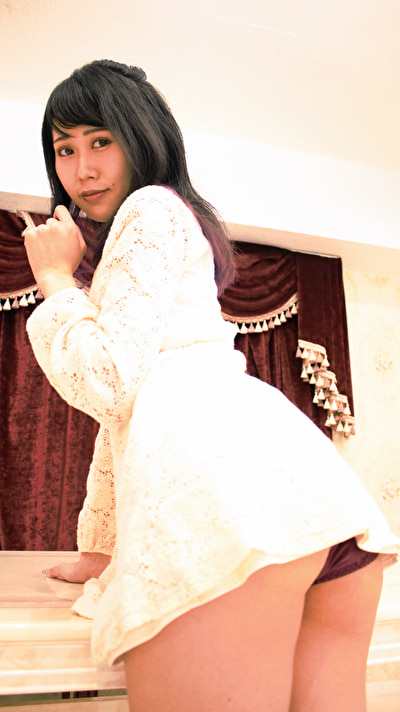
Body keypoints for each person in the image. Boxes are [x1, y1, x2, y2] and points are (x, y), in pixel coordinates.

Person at [24, 59, 399, 712]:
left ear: (142, 136)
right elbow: (129, 417)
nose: (82, 169)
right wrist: (100, 552)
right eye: (65, 149)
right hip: (309, 505)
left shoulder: (148, 208)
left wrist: (56, 281)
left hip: (226, 507)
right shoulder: (169, 222)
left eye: (101, 141)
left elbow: (109, 385)